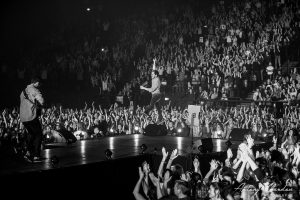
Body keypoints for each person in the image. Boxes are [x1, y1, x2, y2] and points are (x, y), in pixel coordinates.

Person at [20, 77, 44, 163]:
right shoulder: (34, 90)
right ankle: (36, 156)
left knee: (32, 134)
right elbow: (41, 101)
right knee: (39, 135)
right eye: (39, 83)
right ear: (36, 83)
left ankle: (28, 153)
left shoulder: (23, 92)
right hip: (31, 116)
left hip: (23, 118)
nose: (39, 85)